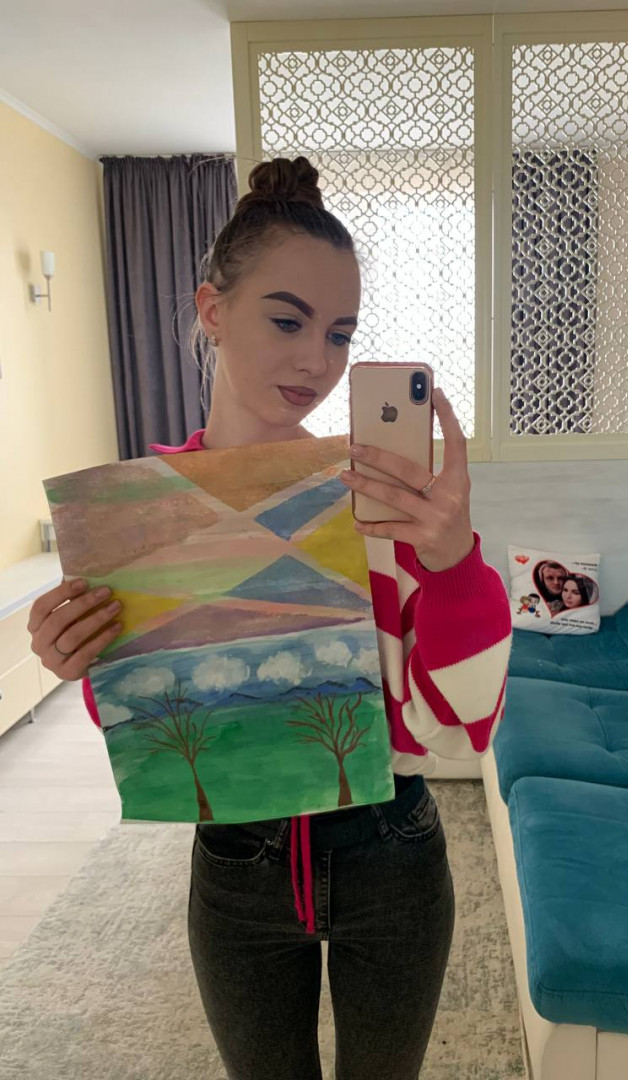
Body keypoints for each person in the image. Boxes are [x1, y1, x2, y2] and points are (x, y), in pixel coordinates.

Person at [27, 156, 512, 1080]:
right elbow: (152, 722)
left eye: (340, 333)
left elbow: (465, 720)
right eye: (287, 321)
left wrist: (454, 563)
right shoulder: (141, 511)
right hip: (233, 865)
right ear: (212, 310)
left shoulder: (377, 495)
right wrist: (81, 658)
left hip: (392, 853)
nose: (317, 362)